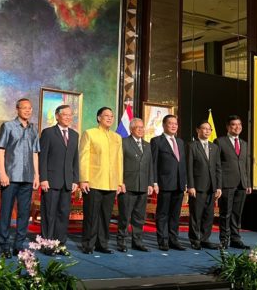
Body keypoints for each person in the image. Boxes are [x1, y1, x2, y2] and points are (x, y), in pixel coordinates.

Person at [0, 98, 40, 258]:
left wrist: (37, 175)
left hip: (27, 178)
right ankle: (4, 245)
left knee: (24, 213)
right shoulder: (8, 126)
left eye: (30, 108)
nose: (28, 111)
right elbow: (1, 151)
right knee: (6, 213)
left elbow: (35, 153)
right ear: (17, 109)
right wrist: (2, 173)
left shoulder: (34, 129)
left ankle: (19, 245)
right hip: (10, 177)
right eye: (24, 108)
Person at [79, 107, 124, 254]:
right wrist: (84, 179)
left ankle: (102, 244)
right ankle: (88, 244)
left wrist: (119, 182)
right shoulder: (90, 133)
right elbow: (83, 158)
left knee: (106, 216)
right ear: (99, 118)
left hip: (111, 183)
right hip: (93, 182)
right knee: (91, 215)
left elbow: (119, 161)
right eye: (106, 116)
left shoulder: (116, 137)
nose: (110, 118)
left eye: (111, 116)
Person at [38, 104, 79, 255]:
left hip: (67, 182)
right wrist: (43, 178)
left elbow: (75, 159)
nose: (68, 117)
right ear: (57, 116)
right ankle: (47, 244)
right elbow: (43, 158)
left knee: (63, 214)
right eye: (65, 115)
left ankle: (60, 244)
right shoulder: (48, 133)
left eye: (70, 115)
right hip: (51, 181)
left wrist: (75, 179)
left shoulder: (74, 135)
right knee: (49, 213)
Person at [150, 114, 186, 251]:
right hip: (164, 183)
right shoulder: (156, 141)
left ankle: (173, 239)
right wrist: (154, 182)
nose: (173, 126)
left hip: (179, 183)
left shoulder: (181, 142)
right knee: (163, 213)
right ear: (164, 125)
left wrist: (185, 182)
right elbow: (153, 163)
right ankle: (162, 240)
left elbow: (182, 164)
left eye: (175, 124)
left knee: (175, 214)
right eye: (170, 123)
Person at [116, 118, 153, 253]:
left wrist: (150, 183)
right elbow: (118, 164)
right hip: (127, 186)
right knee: (125, 216)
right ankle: (121, 242)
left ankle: (137, 242)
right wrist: (120, 182)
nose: (140, 129)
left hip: (143, 186)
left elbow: (150, 166)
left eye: (142, 127)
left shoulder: (148, 145)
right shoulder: (124, 142)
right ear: (131, 129)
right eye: (137, 127)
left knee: (139, 217)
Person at [215, 115, 251, 250]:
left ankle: (236, 239)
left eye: (239, 124)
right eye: (234, 125)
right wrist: (218, 185)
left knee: (237, 213)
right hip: (226, 183)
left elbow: (246, 165)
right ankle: (224, 240)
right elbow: (217, 166)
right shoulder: (220, 142)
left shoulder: (244, 143)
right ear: (228, 127)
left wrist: (248, 183)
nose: (237, 127)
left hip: (242, 183)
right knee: (226, 213)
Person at [186, 120, 222, 250]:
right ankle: (195, 239)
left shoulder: (215, 147)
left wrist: (218, 187)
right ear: (198, 130)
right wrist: (190, 186)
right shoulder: (192, 146)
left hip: (212, 188)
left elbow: (218, 168)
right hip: (197, 187)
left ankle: (205, 239)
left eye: (209, 129)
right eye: (204, 128)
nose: (207, 131)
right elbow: (189, 167)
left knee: (208, 215)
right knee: (196, 215)